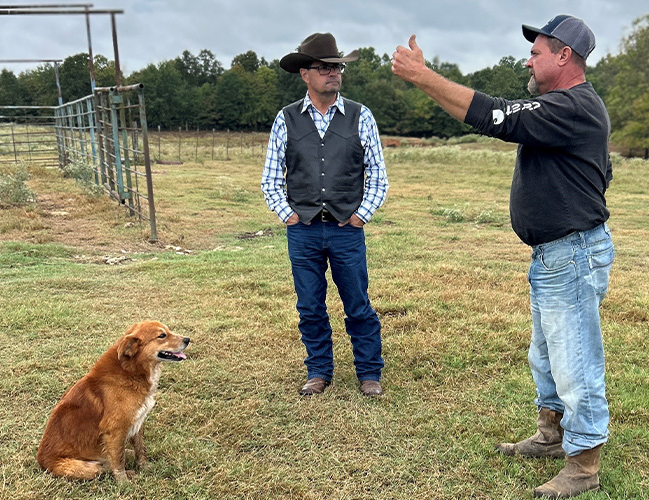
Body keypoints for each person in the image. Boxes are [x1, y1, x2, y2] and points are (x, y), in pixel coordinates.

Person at [392, 15, 614, 498]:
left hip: (571, 254)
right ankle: (552, 434)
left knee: (575, 361)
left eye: (537, 52)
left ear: (564, 56)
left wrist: (422, 77)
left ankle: (584, 464)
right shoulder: (562, 106)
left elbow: (496, 116)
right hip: (556, 254)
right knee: (547, 355)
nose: (528, 59)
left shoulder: (575, 106)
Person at [261, 33, 389, 398]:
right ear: (305, 74)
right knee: (310, 306)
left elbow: (377, 175)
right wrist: (288, 215)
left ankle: (369, 373)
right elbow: (271, 177)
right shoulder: (286, 119)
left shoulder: (361, 116)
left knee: (357, 302)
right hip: (302, 230)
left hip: (346, 228)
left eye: (337, 67)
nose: (333, 74)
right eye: (324, 68)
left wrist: (360, 216)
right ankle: (318, 371)